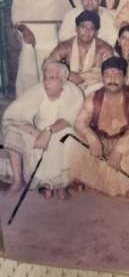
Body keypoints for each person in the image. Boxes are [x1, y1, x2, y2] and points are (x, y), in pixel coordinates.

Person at [68, 57, 129, 203]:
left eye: (117, 75)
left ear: (125, 78)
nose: (112, 79)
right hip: (100, 145)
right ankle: (95, 180)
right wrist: (91, 137)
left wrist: (119, 150)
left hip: (125, 145)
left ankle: (128, 187)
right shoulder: (93, 97)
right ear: (102, 78)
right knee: (74, 140)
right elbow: (79, 123)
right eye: (108, 75)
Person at [1, 61, 83, 200]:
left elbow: (68, 119)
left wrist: (49, 131)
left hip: (61, 132)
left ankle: (60, 184)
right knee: (12, 132)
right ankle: (18, 181)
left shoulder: (73, 91)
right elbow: (13, 115)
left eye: (52, 78)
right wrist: (34, 131)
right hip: (39, 134)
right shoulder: (39, 90)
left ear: (63, 80)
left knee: (65, 137)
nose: (46, 82)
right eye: (45, 77)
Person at [12, 0, 73, 96]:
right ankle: (26, 106)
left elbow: (68, 14)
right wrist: (24, 30)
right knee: (28, 73)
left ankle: (49, 103)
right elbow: (16, 15)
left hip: (49, 36)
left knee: (48, 70)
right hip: (28, 34)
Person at [45, 10, 114, 92]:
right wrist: (68, 74)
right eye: (83, 27)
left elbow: (110, 73)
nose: (87, 31)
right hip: (69, 87)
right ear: (76, 28)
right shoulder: (66, 46)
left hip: (94, 88)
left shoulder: (104, 49)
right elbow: (47, 64)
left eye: (91, 28)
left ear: (96, 32)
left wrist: (81, 77)